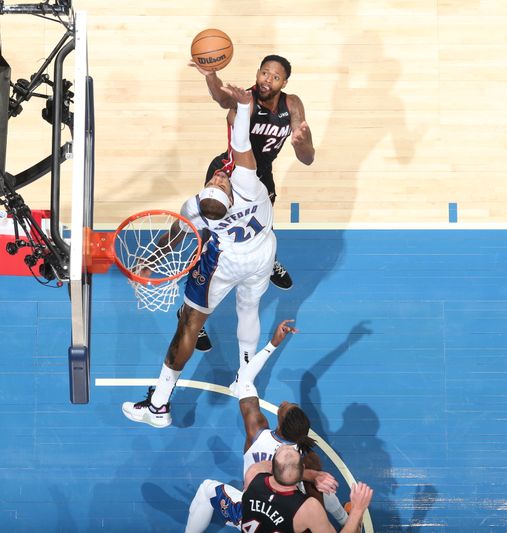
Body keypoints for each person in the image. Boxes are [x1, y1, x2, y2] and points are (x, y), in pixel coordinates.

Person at [122, 84, 275, 428]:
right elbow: (240, 143)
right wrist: (245, 105)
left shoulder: (195, 208)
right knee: (248, 309)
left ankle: (158, 405)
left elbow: (174, 237)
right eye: (218, 181)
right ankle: (245, 379)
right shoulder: (250, 186)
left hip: (225, 262)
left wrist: (151, 260)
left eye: (218, 180)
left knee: (190, 323)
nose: (220, 176)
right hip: (262, 252)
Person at [185, 319, 345, 532]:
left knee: (207, 489)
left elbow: (245, 379)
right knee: (321, 483)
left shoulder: (257, 431)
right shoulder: (307, 458)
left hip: (252, 510)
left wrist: (273, 344)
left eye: (285, 407)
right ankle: (345, 518)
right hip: (287, 515)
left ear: (280, 423)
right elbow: (318, 488)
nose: (283, 403)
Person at [191, 53, 314, 294]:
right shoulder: (245, 99)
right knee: (211, 233)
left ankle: (269, 264)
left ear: (284, 83)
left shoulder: (292, 104)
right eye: (264, 73)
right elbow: (221, 98)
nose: (268, 80)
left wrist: (302, 142)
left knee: (264, 227)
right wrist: (210, 75)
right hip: (229, 171)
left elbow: (307, 159)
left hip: (261, 174)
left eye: (276, 77)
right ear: (258, 72)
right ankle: (198, 279)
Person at [242, 445, 373, 533]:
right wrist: (358, 509)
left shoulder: (253, 472)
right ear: (303, 468)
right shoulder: (308, 508)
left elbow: (271, 467)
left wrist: (313, 476)